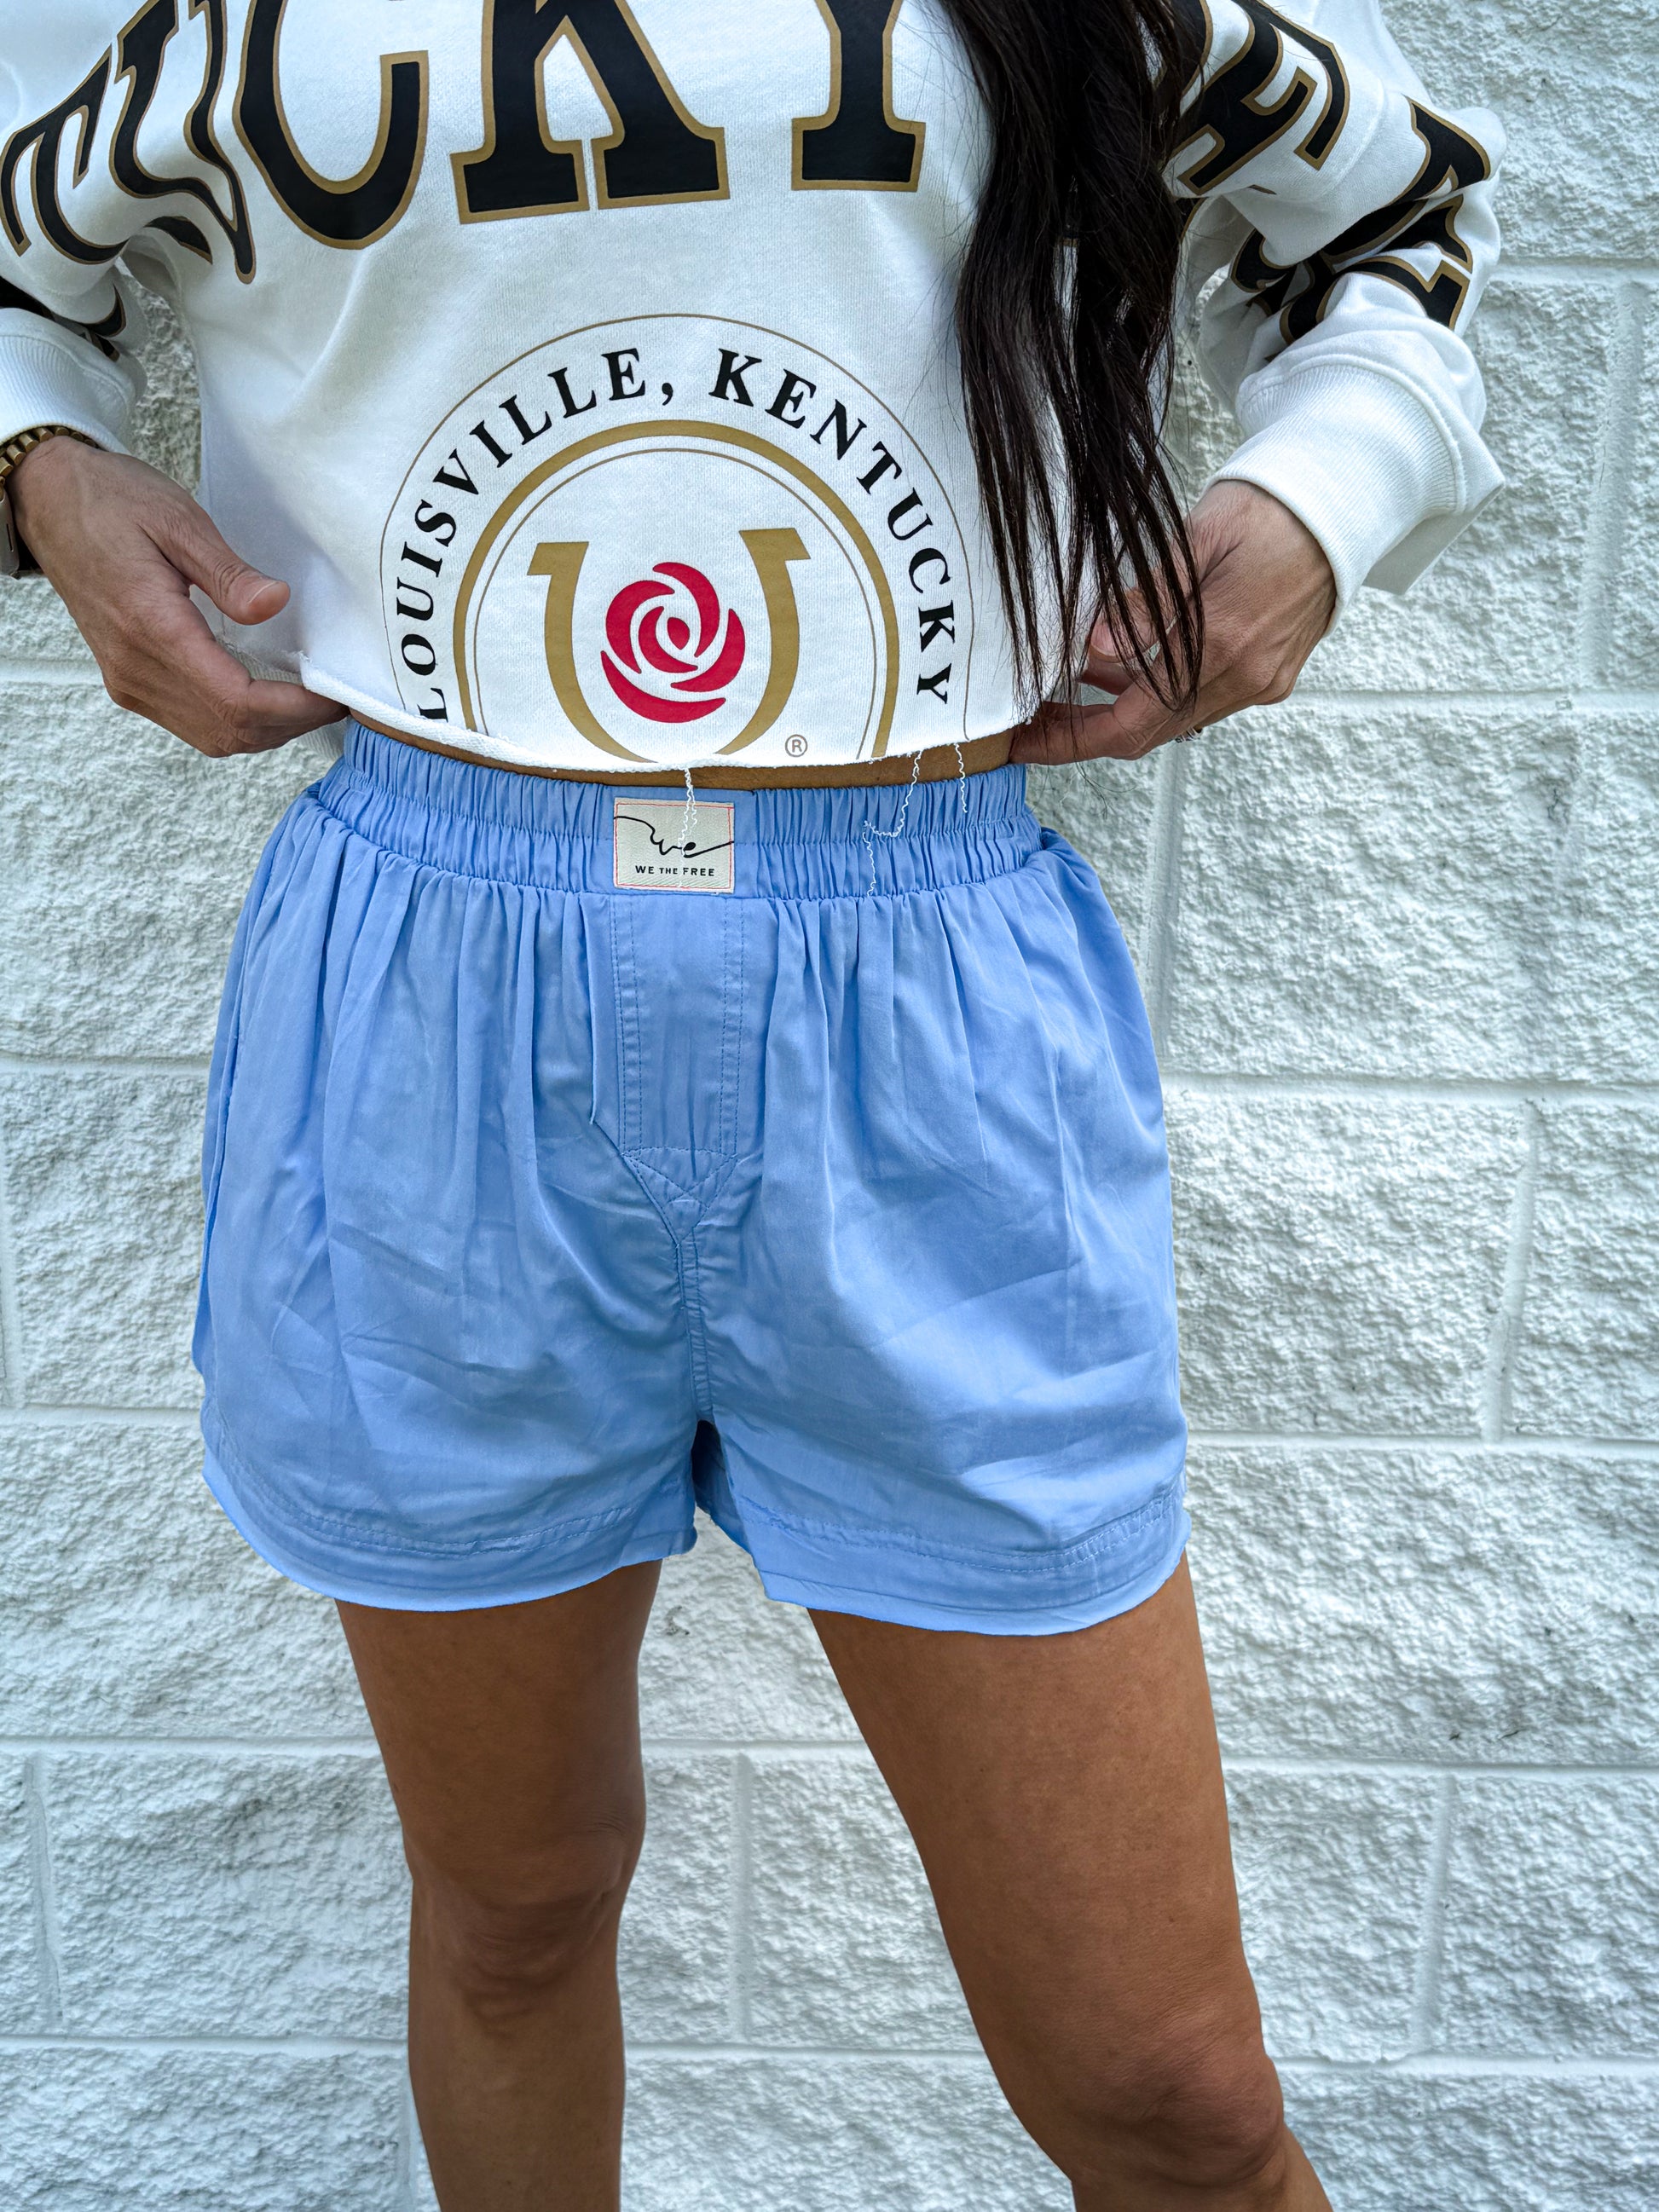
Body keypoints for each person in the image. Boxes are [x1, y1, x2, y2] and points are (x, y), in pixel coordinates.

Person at [0, 2, 1502, 2203]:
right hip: (429, 985)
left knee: (1166, 2086)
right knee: (514, 1912)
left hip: (927, 982)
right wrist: (40, 458)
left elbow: (1386, 226)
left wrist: (1327, 490)